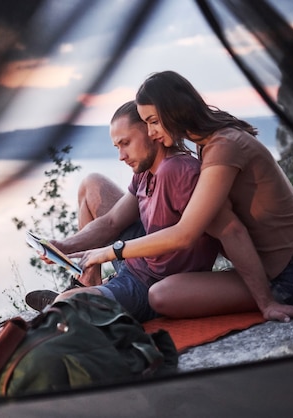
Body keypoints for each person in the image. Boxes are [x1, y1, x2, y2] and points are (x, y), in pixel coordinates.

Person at [72, 71, 293, 322]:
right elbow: (113, 222)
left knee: (162, 295)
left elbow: (199, 233)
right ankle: (106, 285)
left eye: (153, 121)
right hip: (275, 263)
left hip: (292, 273)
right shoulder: (208, 142)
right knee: (160, 289)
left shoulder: (223, 147)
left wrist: (267, 304)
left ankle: (116, 293)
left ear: (173, 109)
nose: (150, 133)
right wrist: (67, 247)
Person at [25, 100, 221, 322]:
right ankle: (89, 283)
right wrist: (63, 246)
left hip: (150, 281)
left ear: (151, 131)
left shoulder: (176, 171)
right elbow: (112, 222)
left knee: (67, 304)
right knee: (92, 184)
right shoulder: (147, 170)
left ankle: (82, 294)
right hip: (139, 255)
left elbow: (185, 237)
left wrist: (110, 252)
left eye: (126, 143)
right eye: (117, 147)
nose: (121, 156)